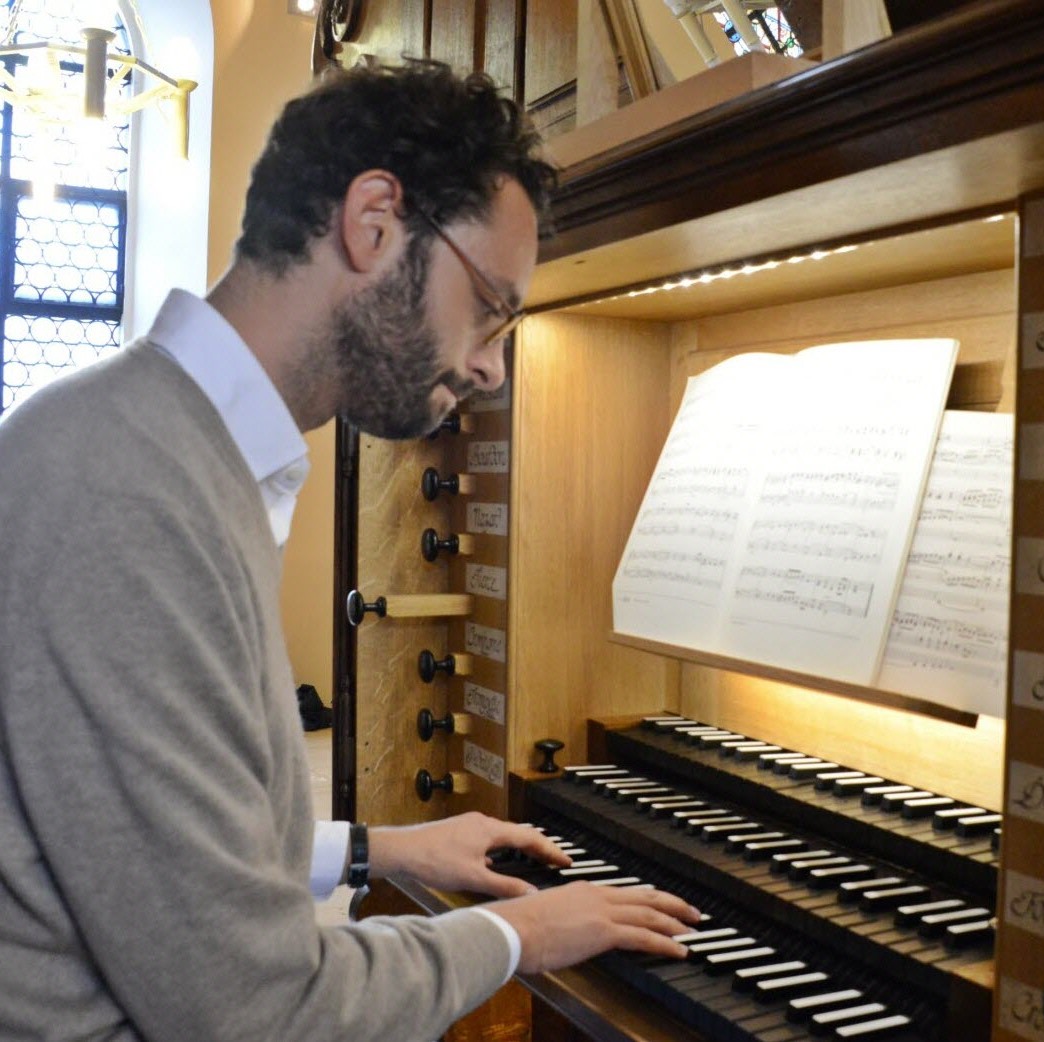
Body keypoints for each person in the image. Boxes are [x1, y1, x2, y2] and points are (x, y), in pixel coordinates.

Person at [0, 60, 699, 1042]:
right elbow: (254, 1010)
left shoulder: (164, 442)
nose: (493, 367)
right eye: (492, 307)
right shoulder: (124, 484)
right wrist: (519, 934)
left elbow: (144, 843)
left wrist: (382, 850)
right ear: (373, 222)